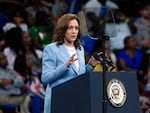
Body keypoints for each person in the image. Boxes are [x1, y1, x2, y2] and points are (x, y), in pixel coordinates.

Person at [41, 13, 100, 113]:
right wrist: (65, 66)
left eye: (76, 28)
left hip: (75, 101)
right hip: (58, 101)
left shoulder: (80, 49)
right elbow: (45, 78)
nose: (74, 31)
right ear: (63, 29)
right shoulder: (51, 49)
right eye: (70, 28)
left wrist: (89, 66)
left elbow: (77, 74)